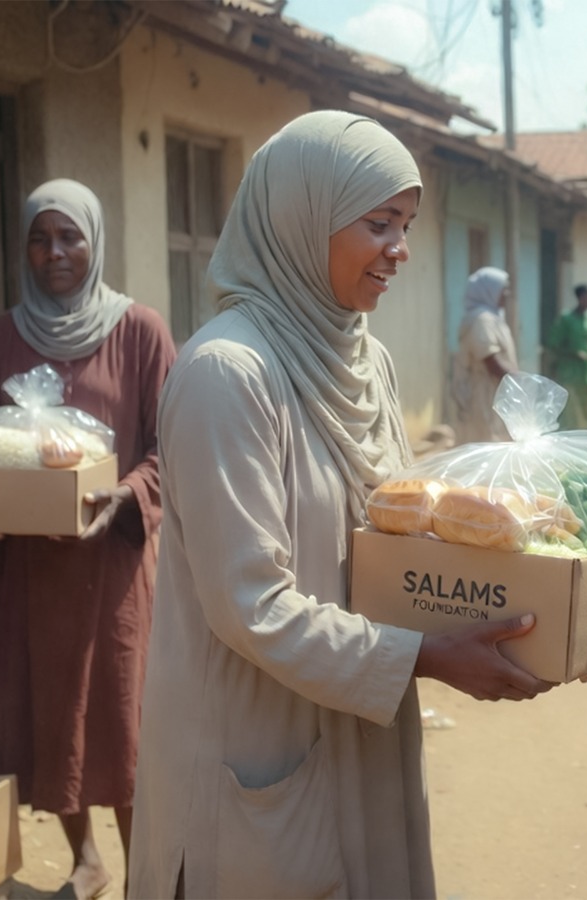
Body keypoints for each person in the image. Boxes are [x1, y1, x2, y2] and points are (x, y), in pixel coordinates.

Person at [128, 111, 552, 899]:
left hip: (362, 723)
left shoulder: (367, 359)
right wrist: (425, 655)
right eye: (379, 223)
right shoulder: (229, 374)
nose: (401, 249)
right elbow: (249, 603)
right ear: (302, 218)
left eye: (408, 225)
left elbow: (393, 528)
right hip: (257, 740)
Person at [0, 178, 176, 899]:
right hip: (30, 572)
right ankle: (86, 858)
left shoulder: (139, 331)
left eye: (69, 237)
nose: (54, 253)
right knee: (50, 712)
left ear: (95, 241)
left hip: (111, 567)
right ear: (24, 246)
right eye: (40, 238)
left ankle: (150, 865)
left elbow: (170, 445)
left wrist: (125, 493)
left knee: (123, 715)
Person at [451, 266, 517, 443]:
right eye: (503, 289)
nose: (507, 293)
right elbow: (491, 361)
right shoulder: (482, 320)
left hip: (496, 391)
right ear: (490, 290)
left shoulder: (494, 318)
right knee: (485, 441)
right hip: (484, 392)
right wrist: (519, 382)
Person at [546, 283, 587, 430]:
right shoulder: (566, 319)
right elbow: (553, 344)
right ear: (580, 298)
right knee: (571, 412)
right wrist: (573, 354)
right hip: (570, 373)